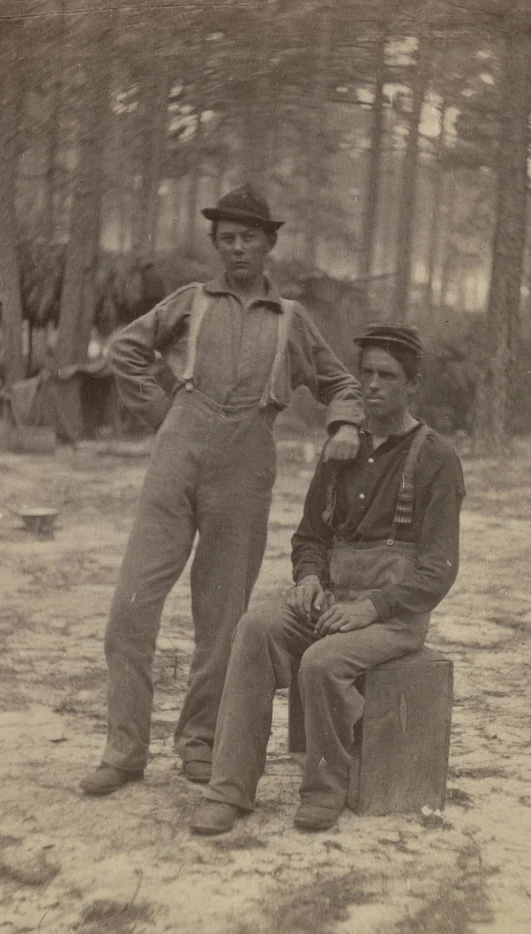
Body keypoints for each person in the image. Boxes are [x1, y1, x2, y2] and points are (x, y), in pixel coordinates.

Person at [79, 186, 364, 796]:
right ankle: (124, 750)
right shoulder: (191, 302)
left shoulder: (291, 319)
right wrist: (163, 410)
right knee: (130, 610)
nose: (237, 248)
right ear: (216, 244)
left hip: (245, 466)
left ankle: (200, 741)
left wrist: (344, 424)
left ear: (269, 244)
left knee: (223, 620)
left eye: (248, 238)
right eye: (227, 239)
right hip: (176, 459)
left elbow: (341, 383)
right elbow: (126, 349)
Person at [188, 324, 465, 834]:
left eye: (388, 376)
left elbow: (439, 570)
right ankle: (229, 789)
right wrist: (310, 578)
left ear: (412, 385)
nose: (373, 385)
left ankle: (324, 787)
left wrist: (372, 607)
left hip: (395, 618)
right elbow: (310, 537)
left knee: (321, 660)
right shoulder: (340, 450)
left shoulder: (436, 459)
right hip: (332, 604)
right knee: (254, 629)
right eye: (367, 374)